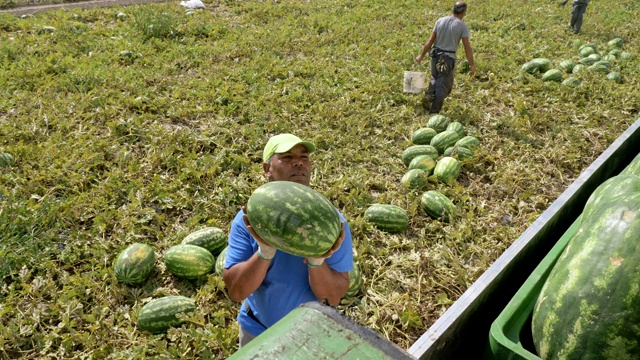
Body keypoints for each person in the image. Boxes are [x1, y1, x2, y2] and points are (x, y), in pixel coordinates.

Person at [222, 133, 354, 348]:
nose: (299, 162)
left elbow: (333, 299)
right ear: (267, 169)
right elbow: (236, 292)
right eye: (286, 157)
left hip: (311, 334)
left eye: (304, 157)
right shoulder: (249, 220)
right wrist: (264, 252)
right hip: (257, 330)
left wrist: (317, 261)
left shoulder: (332, 223)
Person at [415, 1, 476, 114]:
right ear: (463, 13)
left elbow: (430, 40)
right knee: (443, 86)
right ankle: (434, 112)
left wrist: (421, 55)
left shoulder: (440, 21)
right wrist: (472, 64)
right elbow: (467, 47)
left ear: (452, 10)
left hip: (435, 55)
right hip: (447, 59)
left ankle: (429, 95)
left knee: (435, 77)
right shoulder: (462, 26)